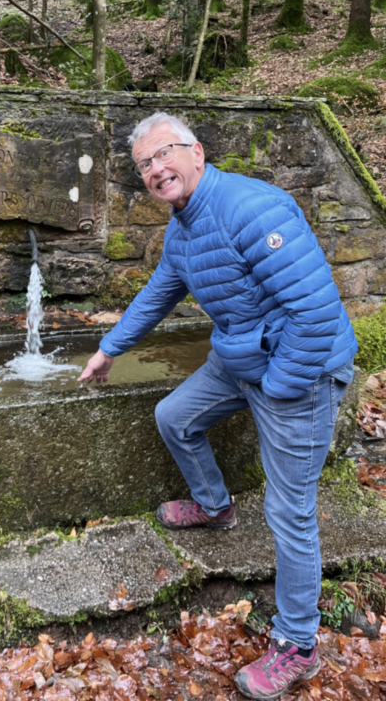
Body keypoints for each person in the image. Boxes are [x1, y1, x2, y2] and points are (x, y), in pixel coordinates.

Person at [78, 112, 357, 700]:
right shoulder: (183, 230)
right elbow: (157, 294)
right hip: (244, 357)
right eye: (145, 165)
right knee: (174, 416)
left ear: (197, 153)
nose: (156, 170)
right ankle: (215, 505)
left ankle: (299, 645)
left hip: (298, 371)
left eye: (164, 155)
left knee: (290, 512)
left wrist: (278, 389)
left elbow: (316, 315)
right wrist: (108, 349)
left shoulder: (253, 208)